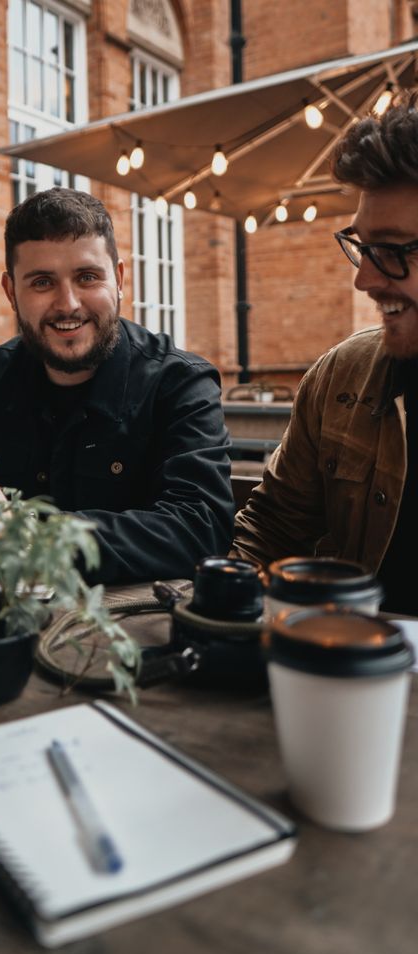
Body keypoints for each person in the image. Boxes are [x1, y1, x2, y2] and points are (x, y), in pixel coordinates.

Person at [0, 187, 234, 585]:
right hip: (1, 620)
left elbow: (200, 530)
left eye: (87, 277)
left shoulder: (179, 382)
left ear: (120, 278)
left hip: (134, 632)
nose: (68, 303)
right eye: (42, 282)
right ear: (10, 292)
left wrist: (27, 534)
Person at [233, 93, 418, 615]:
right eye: (362, 247)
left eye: (391, 250)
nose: (363, 278)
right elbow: (272, 529)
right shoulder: (341, 375)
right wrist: (228, 611)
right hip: (338, 674)